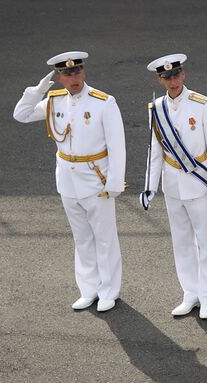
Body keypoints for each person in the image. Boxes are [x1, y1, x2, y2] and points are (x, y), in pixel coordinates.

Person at [12, 51, 126, 312]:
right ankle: (89, 289)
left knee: (105, 238)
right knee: (82, 237)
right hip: (67, 180)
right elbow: (21, 114)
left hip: (96, 179)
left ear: (84, 73)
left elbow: (117, 146)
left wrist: (115, 182)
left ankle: (109, 290)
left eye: (77, 73)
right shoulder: (54, 100)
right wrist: (36, 91)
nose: (73, 78)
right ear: (60, 77)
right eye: (67, 74)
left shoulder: (103, 102)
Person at [140, 54, 207, 320]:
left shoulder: (202, 104)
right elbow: (155, 151)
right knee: (182, 242)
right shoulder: (156, 109)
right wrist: (149, 187)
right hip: (172, 184)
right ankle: (191, 293)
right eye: (167, 77)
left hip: (198, 182)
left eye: (176, 75)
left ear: (183, 75)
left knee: (206, 243)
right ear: (159, 79)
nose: (172, 81)